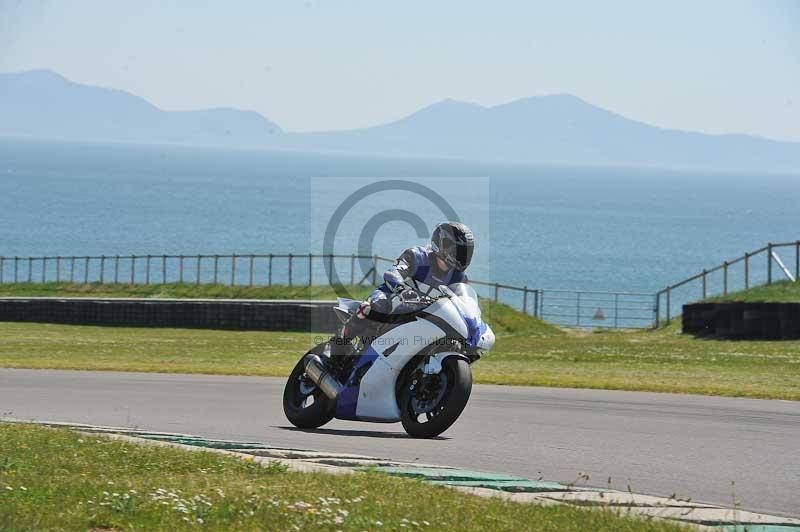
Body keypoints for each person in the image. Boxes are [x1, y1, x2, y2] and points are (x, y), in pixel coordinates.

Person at [331, 221, 475, 356]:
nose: (463, 256)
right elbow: (392, 273)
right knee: (370, 308)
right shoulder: (417, 256)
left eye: (466, 252)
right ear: (443, 244)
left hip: (425, 315)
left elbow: (464, 304)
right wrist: (402, 290)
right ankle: (338, 345)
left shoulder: (459, 278)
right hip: (394, 299)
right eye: (459, 251)